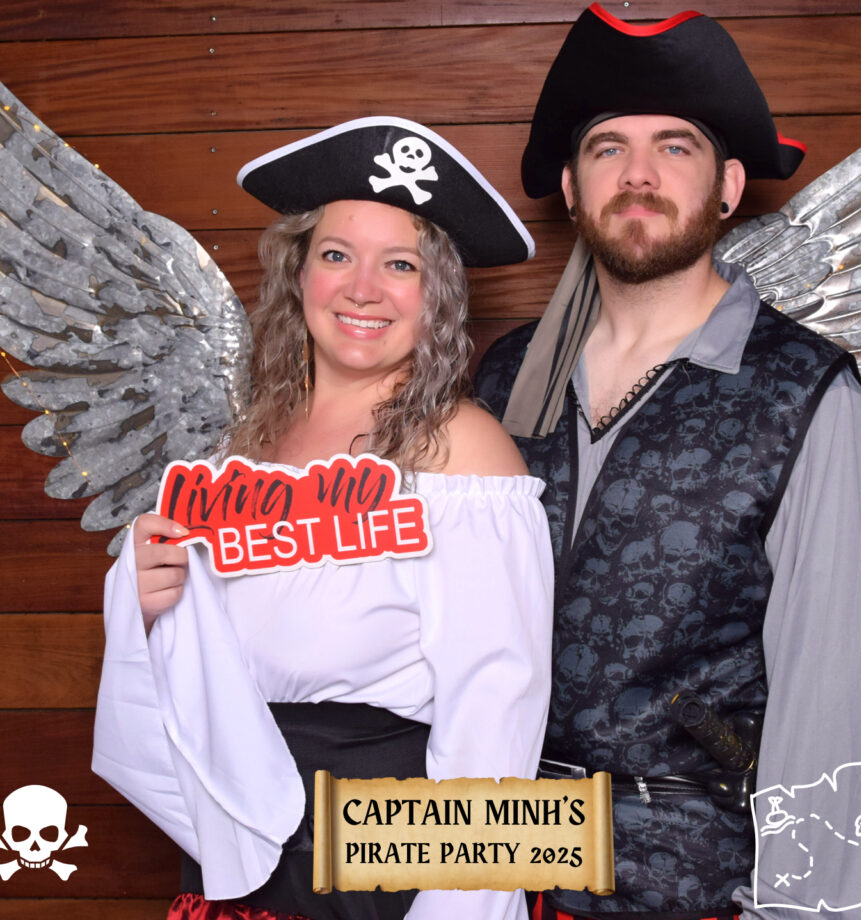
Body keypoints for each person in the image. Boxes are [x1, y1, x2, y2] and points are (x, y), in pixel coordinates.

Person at [475, 6, 861, 920]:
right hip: (487, 874)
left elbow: (839, 706)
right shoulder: (503, 377)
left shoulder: (804, 394)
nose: (637, 175)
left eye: (674, 147)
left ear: (728, 185)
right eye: (607, 149)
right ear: (570, 182)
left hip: (687, 886)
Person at [92, 116, 555, 920]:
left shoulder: (462, 455)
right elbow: (193, 683)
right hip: (236, 855)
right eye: (337, 254)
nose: (362, 288)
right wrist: (140, 595)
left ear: (437, 296)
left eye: (399, 264)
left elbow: (496, 715)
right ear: (298, 275)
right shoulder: (240, 451)